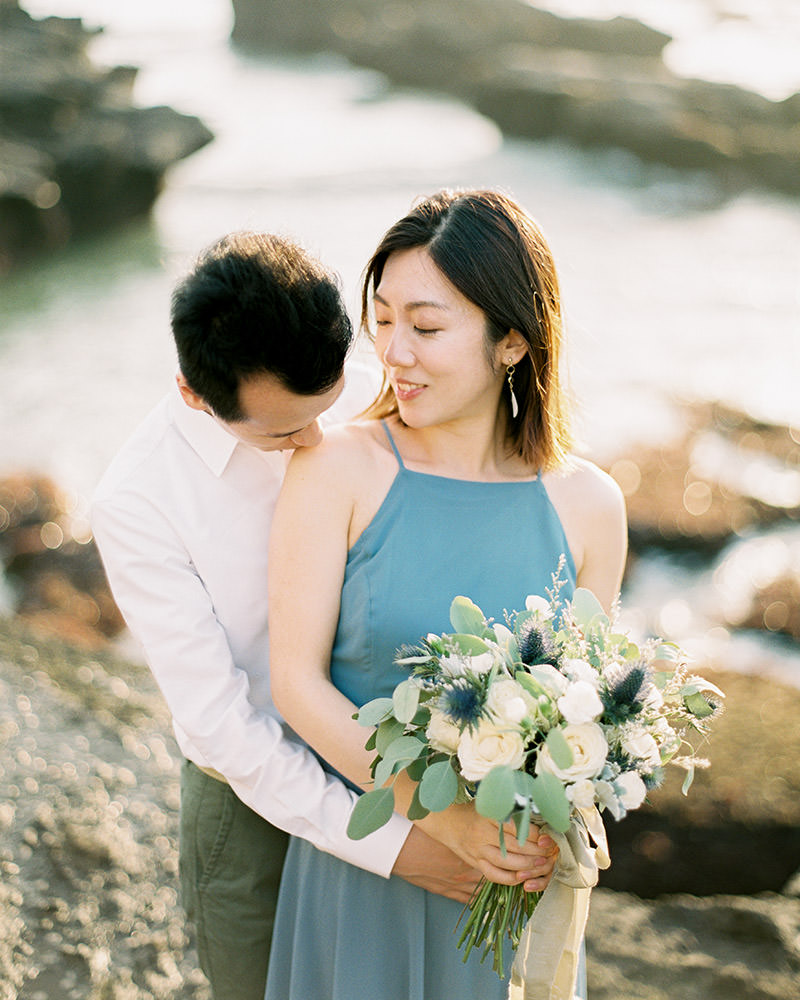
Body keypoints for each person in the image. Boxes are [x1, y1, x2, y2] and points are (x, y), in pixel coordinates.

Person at [90, 230, 558, 1000]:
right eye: (283, 432)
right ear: (193, 395)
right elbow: (224, 728)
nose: (315, 443)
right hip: (258, 799)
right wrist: (400, 844)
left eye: (328, 408)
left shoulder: (367, 387)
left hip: (406, 752)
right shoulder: (139, 502)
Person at [266, 190, 628, 999]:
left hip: (507, 888)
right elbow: (296, 683)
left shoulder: (591, 505)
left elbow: (585, 720)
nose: (394, 352)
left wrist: (530, 822)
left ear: (513, 342)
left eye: (426, 328)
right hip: (364, 868)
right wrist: (442, 823)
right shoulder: (338, 467)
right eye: (384, 319)